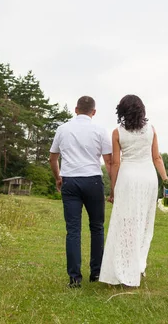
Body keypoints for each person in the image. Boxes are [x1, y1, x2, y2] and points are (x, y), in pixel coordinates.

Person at [99, 94, 168, 287]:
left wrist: (113, 190)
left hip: (128, 179)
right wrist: (167, 183)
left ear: (122, 111)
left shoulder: (117, 132)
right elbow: (157, 159)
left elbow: (115, 163)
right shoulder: (151, 130)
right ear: (141, 110)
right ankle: (138, 265)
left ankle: (123, 267)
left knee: (125, 222)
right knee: (144, 222)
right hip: (148, 179)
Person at [49, 96, 112, 288]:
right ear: (94, 112)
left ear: (75, 109)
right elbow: (109, 162)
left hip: (70, 181)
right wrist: (114, 187)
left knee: (73, 230)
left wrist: (58, 178)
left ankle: (75, 278)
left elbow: (53, 158)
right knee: (97, 227)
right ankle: (96, 272)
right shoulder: (100, 130)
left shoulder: (63, 129)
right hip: (93, 180)